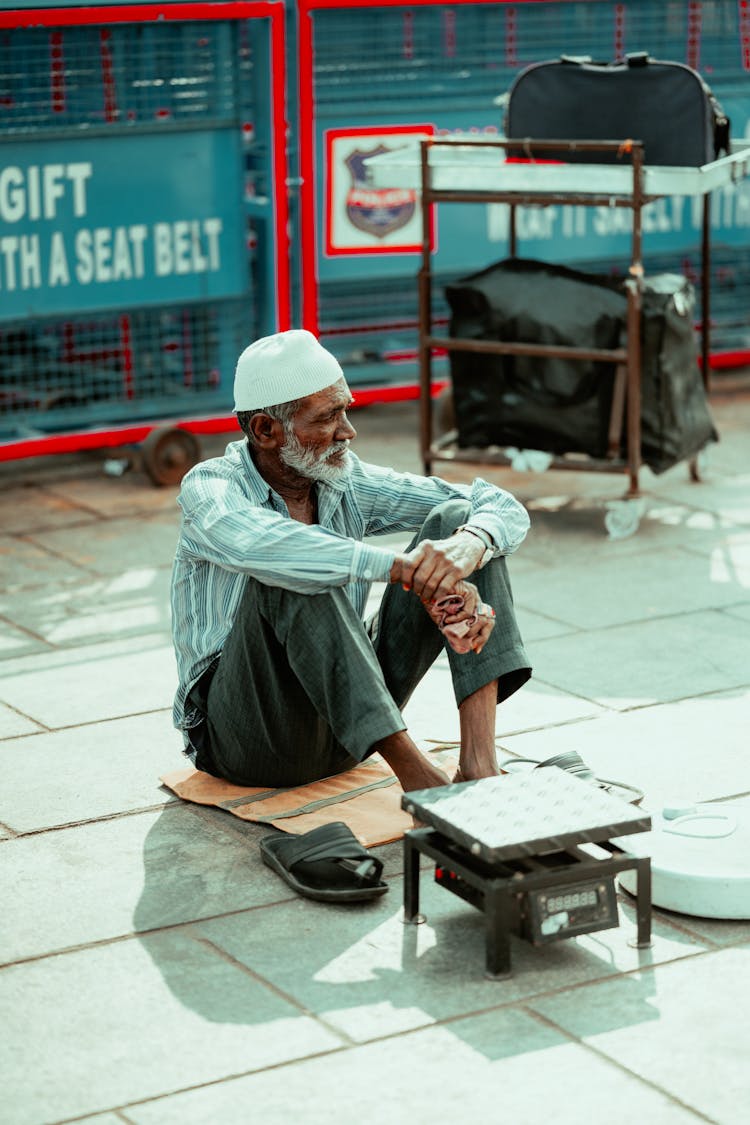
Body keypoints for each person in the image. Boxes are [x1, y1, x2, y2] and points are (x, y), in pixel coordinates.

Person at [170, 329, 531, 795]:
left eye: (345, 409)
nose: (348, 430)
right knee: (293, 569)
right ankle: (419, 780)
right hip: (247, 740)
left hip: (349, 726)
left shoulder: (344, 478)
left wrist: (466, 548)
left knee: (459, 522)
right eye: (328, 417)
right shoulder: (210, 487)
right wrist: (404, 569)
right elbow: (263, 547)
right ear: (265, 430)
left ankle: (479, 763)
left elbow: (497, 504)